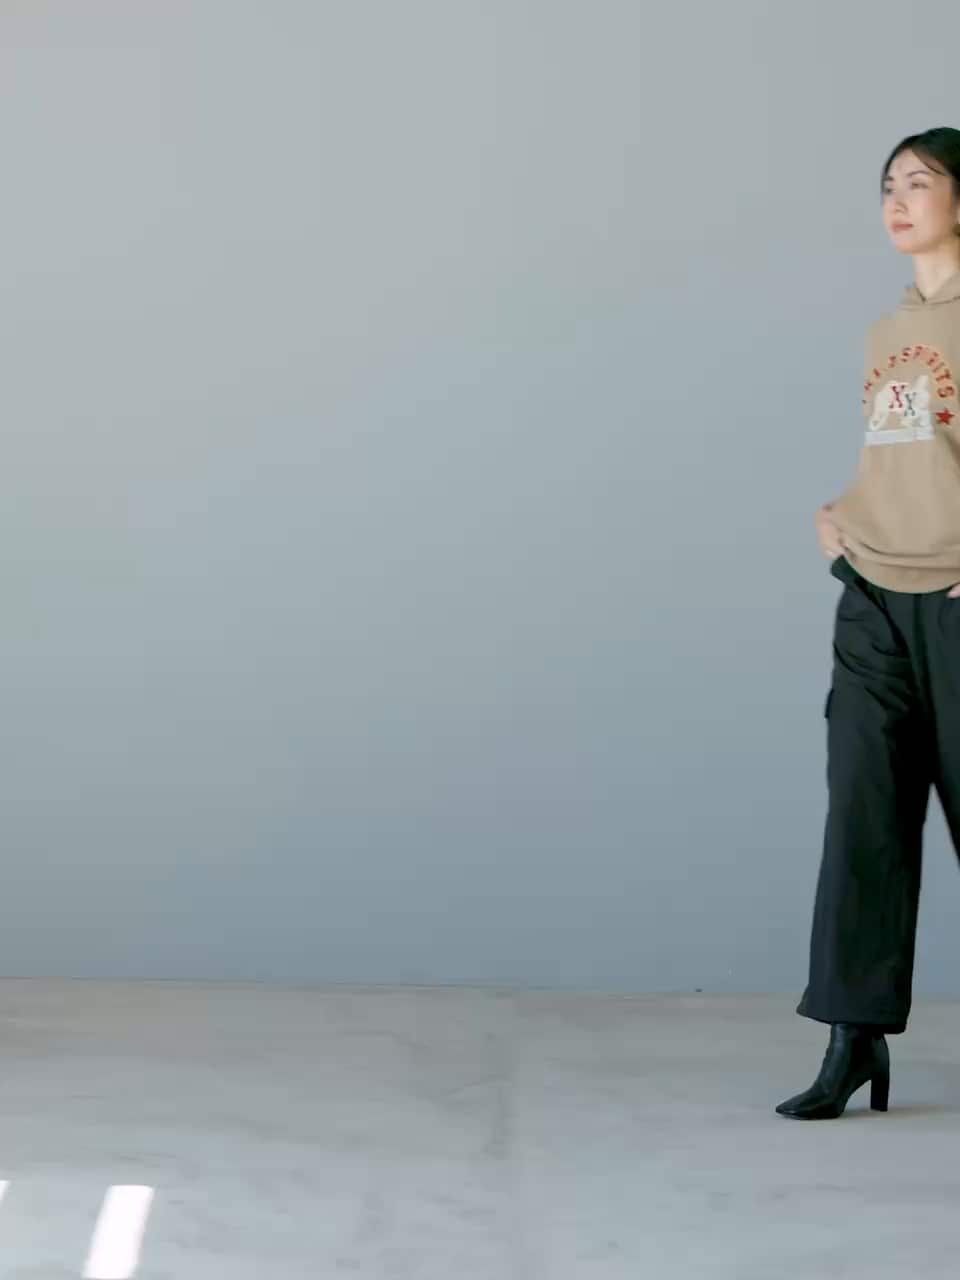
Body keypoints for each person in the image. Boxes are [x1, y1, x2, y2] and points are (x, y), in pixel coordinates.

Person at [777, 127, 960, 1120]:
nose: (897, 200)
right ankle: (852, 1038)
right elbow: (900, 454)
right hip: (874, 596)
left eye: (919, 183)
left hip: (956, 596)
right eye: (888, 184)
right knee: (863, 816)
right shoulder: (887, 329)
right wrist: (841, 519)